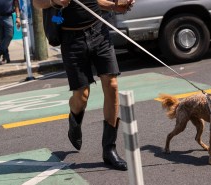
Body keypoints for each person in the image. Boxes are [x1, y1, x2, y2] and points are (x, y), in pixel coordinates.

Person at [33, 0, 135, 171]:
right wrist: (53, 1)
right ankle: (74, 119)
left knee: (112, 84)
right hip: (71, 38)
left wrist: (113, 6)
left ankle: (109, 148)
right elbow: (37, 3)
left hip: (98, 31)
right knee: (82, 96)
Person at [0, 0, 21, 65]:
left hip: (8, 16)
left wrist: (18, 17)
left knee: (9, 35)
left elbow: (16, 3)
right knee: (1, 39)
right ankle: (5, 57)